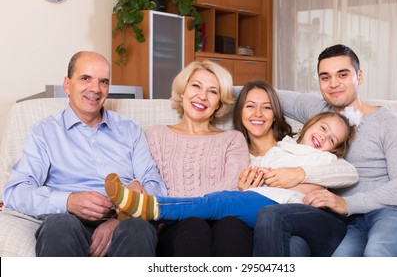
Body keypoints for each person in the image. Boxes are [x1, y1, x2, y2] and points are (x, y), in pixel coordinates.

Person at [253, 44, 397, 257]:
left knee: (377, 254)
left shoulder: (391, 123)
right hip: (350, 224)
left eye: (342, 74)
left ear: (359, 76)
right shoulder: (317, 111)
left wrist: (346, 203)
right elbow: (261, 93)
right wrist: (212, 90)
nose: (333, 84)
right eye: (325, 77)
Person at [104, 85, 358, 228]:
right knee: (222, 201)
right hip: (259, 204)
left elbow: (348, 173)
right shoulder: (279, 148)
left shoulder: (320, 157)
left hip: (285, 210)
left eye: (267, 107)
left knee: (220, 202)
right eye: (249, 105)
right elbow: (260, 174)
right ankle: (146, 206)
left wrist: (299, 176)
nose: (324, 138)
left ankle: (152, 207)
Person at [2, 51, 167, 257]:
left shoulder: (130, 129)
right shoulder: (43, 133)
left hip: (125, 223)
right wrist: (68, 201)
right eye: (85, 78)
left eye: (103, 82)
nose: (96, 89)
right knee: (59, 226)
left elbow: (157, 186)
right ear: (67, 84)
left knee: (138, 229)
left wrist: (123, 214)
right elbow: (16, 192)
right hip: (68, 221)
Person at [144, 60, 253, 257]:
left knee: (232, 226)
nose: (202, 96)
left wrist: (181, 204)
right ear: (182, 91)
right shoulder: (156, 135)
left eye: (213, 91)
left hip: (224, 223)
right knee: (193, 226)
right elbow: (152, 187)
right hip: (176, 229)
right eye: (196, 86)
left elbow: (232, 191)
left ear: (220, 102)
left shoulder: (232, 139)